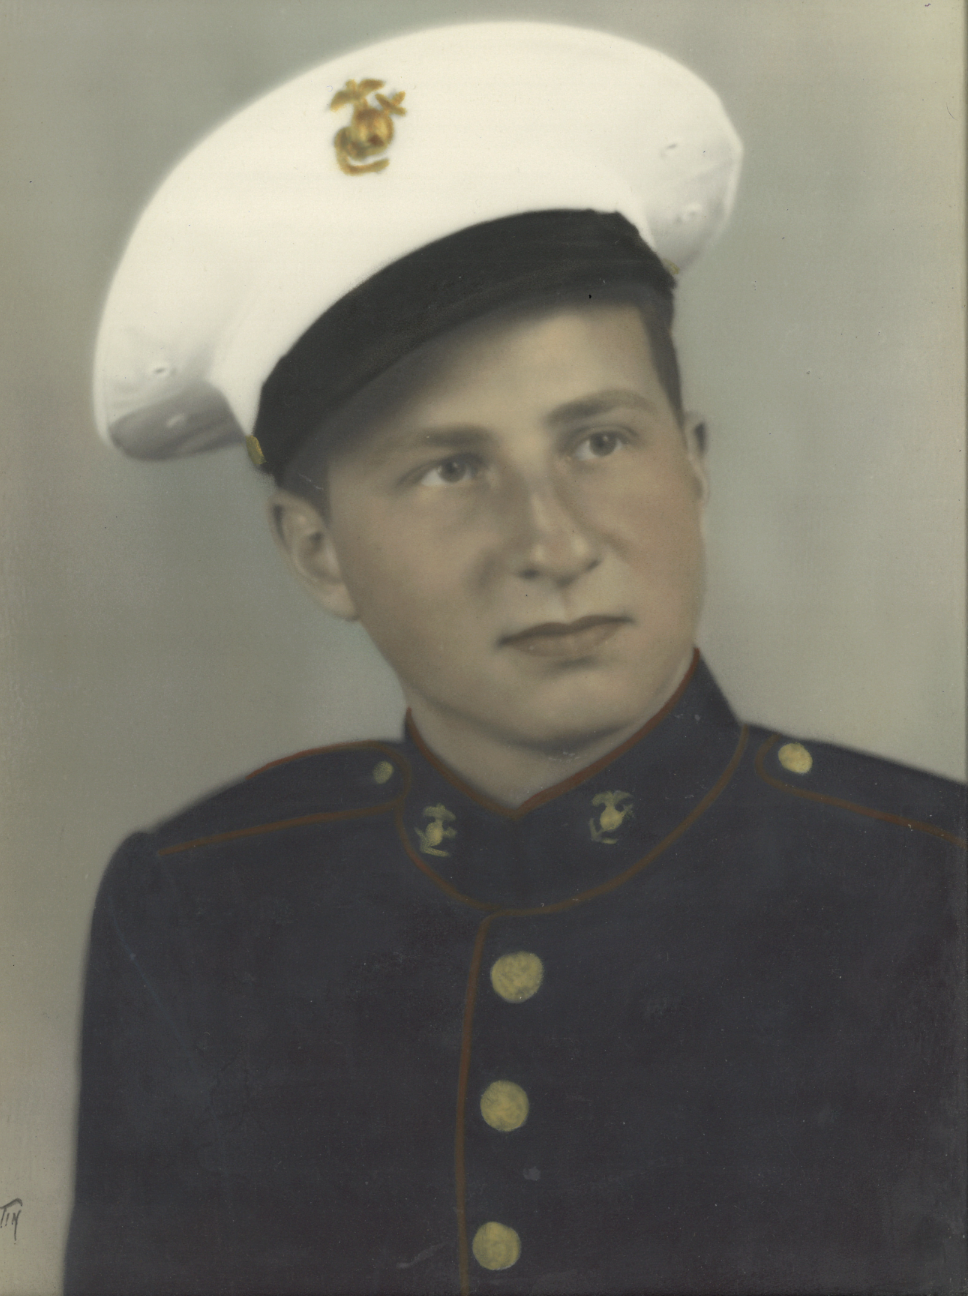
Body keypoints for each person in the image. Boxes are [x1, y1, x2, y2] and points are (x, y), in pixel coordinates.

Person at [65, 22, 965, 1296]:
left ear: (692, 462)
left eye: (597, 441)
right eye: (448, 469)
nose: (549, 543)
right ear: (318, 553)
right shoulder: (205, 911)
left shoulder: (931, 900)